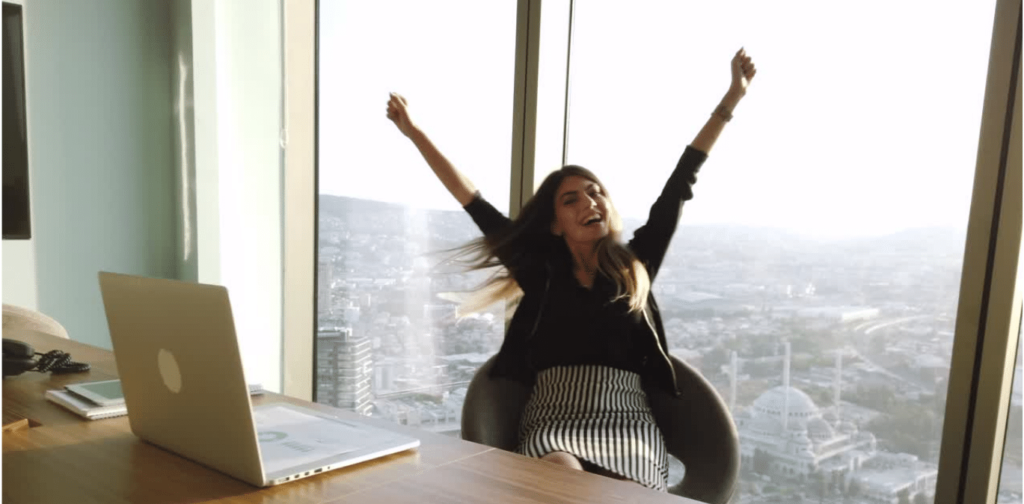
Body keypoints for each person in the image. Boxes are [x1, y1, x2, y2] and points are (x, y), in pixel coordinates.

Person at [386, 48, 757, 492]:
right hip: (555, 420)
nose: (590, 203)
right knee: (559, 475)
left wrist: (731, 98)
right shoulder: (538, 271)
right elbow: (471, 199)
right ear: (554, 224)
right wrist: (415, 132)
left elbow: (682, 181)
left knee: (629, 490)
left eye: (595, 192)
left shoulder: (635, 265)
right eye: (572, 200)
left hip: (629, 423)